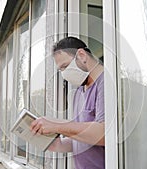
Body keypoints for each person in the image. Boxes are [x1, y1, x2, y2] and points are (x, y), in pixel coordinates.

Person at [30, 36, 105, 169]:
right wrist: (57, 144)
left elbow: (103, 135)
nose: (64, 74)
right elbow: (82, 138)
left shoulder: (106, 83)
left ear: (82, 55)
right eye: (61, 70)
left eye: (65, 66)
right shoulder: (79, 91)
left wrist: (56, 126)